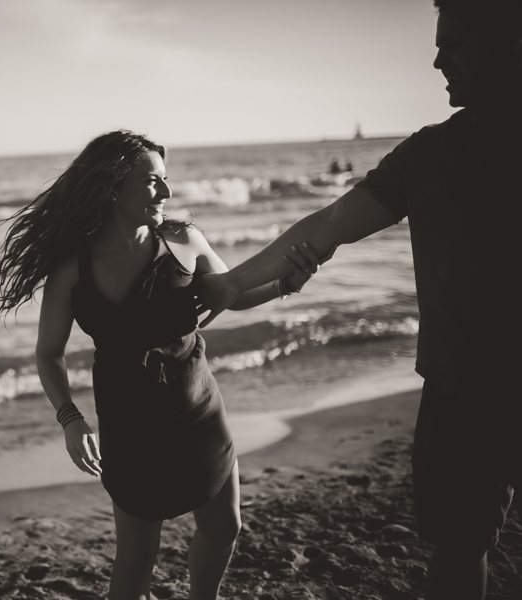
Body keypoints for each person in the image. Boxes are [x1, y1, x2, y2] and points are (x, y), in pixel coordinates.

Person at [195, 2, 522, 598]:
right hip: (461, 392)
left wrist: (233, 286)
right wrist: (231, 286)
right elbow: (331, 224)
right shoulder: (429, 156)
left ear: (508, 43)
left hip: (467, 386)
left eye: (455, 43)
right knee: (457, 548)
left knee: (459, 548)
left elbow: (329, 223)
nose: (436, 58)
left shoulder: (432, 155)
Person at [0, 130, 320, 600]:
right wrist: (69, 418)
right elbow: (48, 354)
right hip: (129, 425)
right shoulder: (73, 268)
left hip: (199, 409)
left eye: (166, 180)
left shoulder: (184, 240)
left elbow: (233, 292)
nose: (166, 192)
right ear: (112, 187)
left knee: (225, 526)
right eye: (152, 182)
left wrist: (286, 284)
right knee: (136, 557)